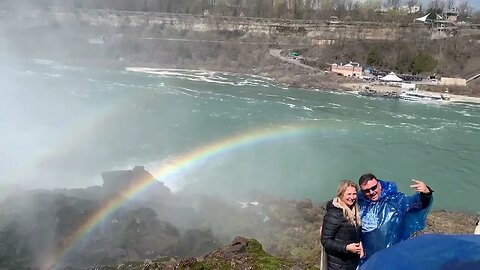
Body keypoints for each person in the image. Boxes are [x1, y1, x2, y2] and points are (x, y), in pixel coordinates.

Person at [357, 173, 433, 262]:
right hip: (367, 256)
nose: (371, 192)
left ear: (379, 185)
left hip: (391, 253)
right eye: (367, 190)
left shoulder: (395, 200)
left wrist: (426, 194)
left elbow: (417, 205)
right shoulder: (360, 202)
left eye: (374, 188)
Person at [321, 180, 363, 270]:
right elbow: (325, 241)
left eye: (354, 194)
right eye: (349, 194)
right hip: (338, 265)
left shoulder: (354, 212)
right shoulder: (334, 214)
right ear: (341, 194)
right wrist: (346, 248)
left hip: (351, 263)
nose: (352, 197)